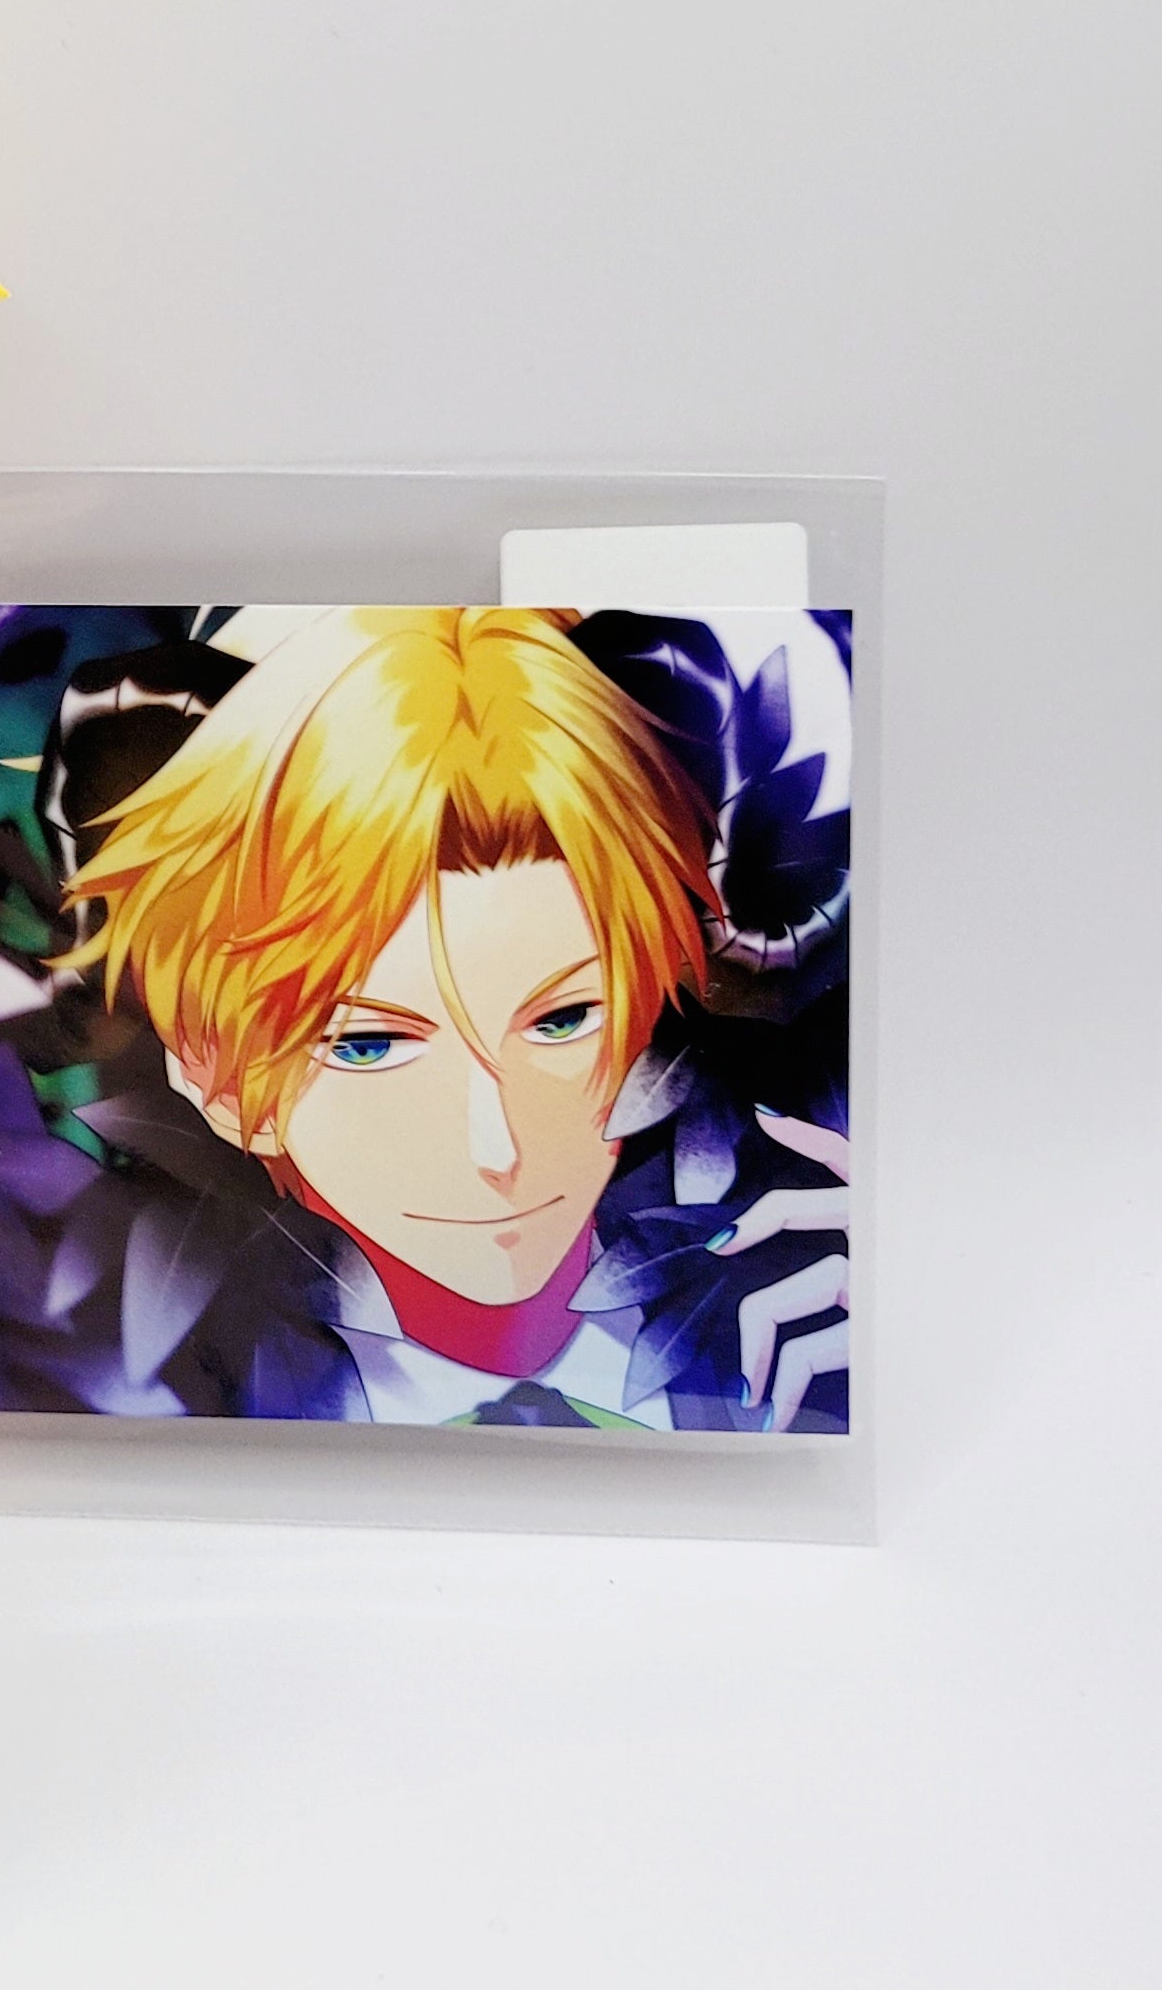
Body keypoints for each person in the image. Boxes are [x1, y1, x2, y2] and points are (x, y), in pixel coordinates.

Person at [69, 607, 845, 1429]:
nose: (497, 1149)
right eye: (369, 1043)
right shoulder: (164, 1377)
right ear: (209, 1070)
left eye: (563, 1021)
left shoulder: (787, 1281)